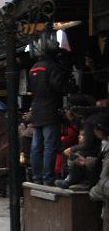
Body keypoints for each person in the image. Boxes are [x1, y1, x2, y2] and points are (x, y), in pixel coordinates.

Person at [29, 45, 70, 186]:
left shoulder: (33, 68)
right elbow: (58, 86)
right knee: (49, 147)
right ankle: (47, 178)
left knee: (36, 147)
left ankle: (37, 177)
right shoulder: (51, 66)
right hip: (49, 109)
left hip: (36, 111)